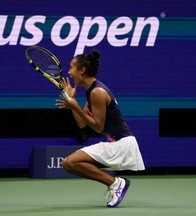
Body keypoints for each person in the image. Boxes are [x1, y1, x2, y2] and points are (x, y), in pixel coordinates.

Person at [55, 49, 145, 208]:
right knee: (70, 163)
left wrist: (75, 106)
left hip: (121, 144)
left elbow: (97, 127)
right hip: (116, 143)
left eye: (71, 67)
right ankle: (115, 183)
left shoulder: (97, 92)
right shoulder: (92, 91)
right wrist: (72, 101)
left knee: (70, 162)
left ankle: (115, 183)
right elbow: (83, 124)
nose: (69, 72)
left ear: (82, 70)